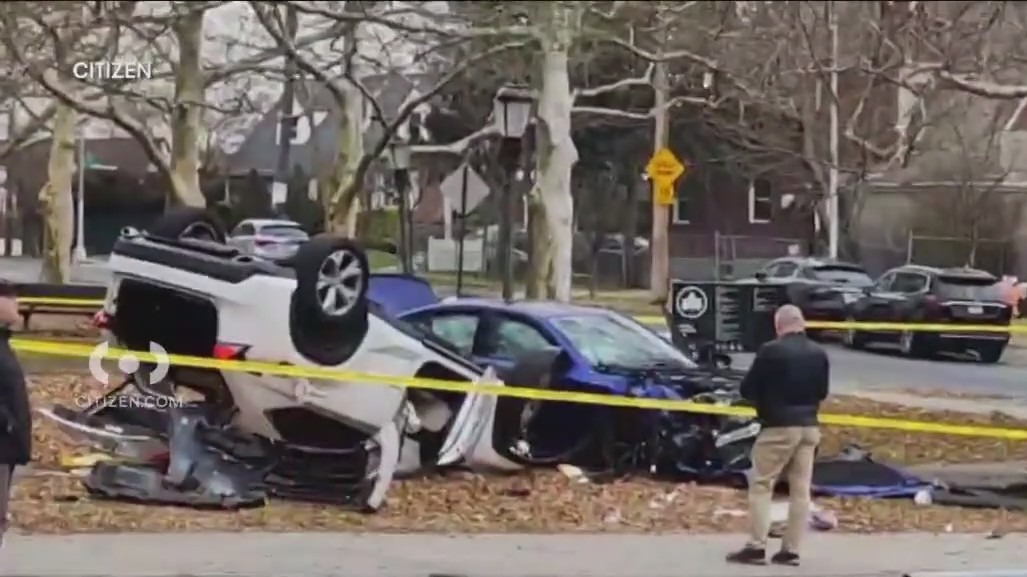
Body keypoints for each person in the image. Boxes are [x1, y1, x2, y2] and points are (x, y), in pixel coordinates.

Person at [726, 304, 829, 567]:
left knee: (762, 484)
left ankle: (756, 546)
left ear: (778, 325)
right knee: (800, 490)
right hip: (809, 427)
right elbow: (822, 392)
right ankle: (791, 550)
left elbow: (747, 389)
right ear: (802, 323)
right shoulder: (819, 353)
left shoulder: (771, 352)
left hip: (778, 426)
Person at [0, 281, 31, 548]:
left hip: (7, 447)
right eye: (11, 301)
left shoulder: (4, 344)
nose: (17, 308)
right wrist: (7, 423)